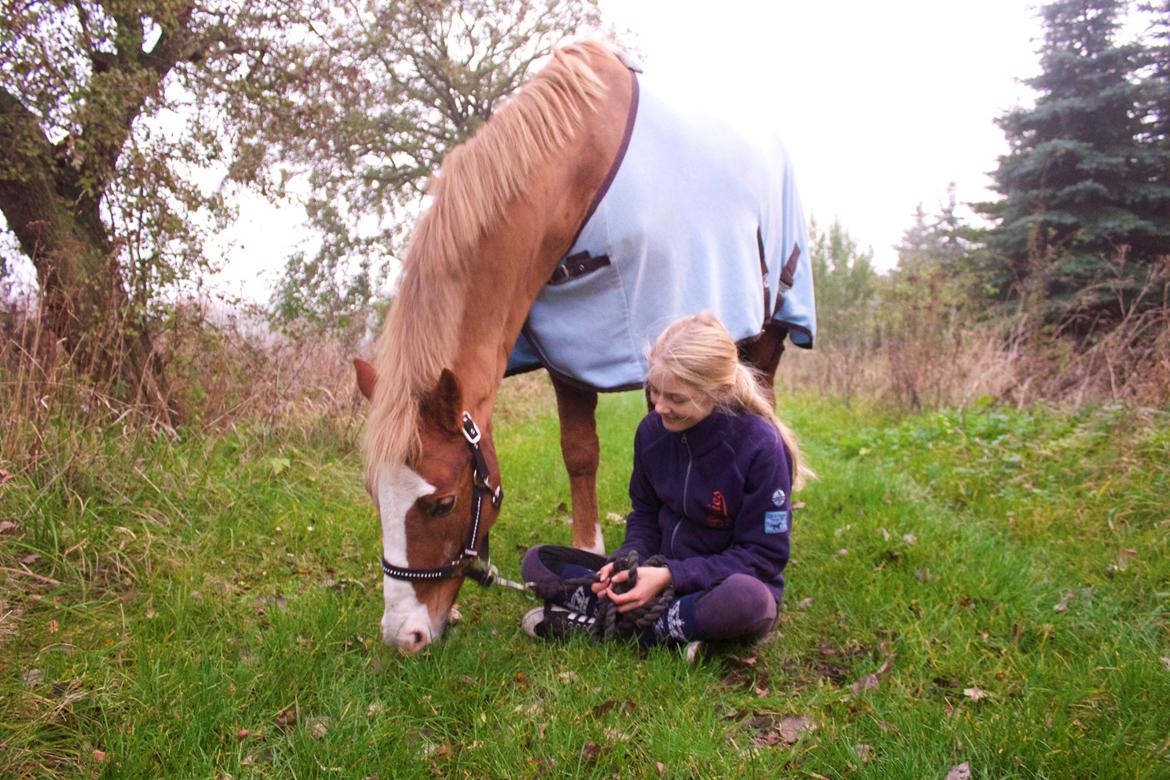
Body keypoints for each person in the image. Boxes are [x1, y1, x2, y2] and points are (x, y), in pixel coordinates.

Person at [520, 310, 810, 658]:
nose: (659, 407)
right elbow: (644, 515)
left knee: (749, 602)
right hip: (654, 574)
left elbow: (763, 557)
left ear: (720, 391)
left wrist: (671, 576)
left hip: (715, 585)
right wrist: (628, 563)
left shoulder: (760, 446)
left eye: (676, 399)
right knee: (538, 561)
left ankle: (614, 626)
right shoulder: (651, 433)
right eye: (654, 391)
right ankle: (672, 628)